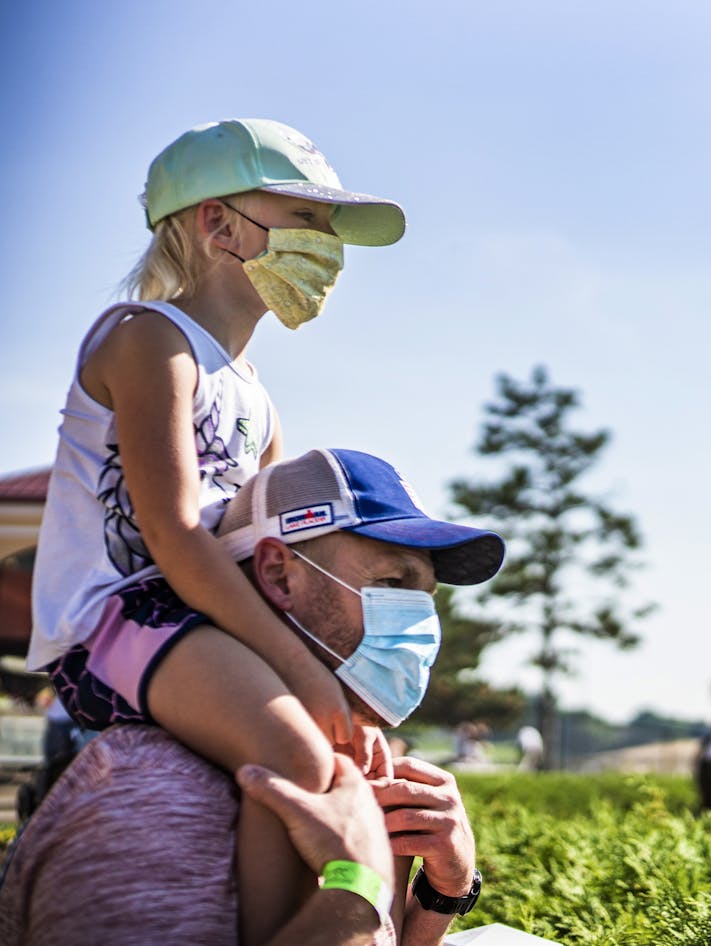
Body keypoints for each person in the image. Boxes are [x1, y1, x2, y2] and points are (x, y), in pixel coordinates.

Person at [25, 118, 406, 944]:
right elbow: (173, 536)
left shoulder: (260, 398)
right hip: (114, 620)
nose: (326, 243)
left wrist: (345, 690)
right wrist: (303, 673)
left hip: (192, 619)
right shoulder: (145, 338)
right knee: (294, 758)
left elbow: (251, 550)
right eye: (305, 218)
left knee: (327, 750)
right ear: (218, 224)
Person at [0, 448, 503, 944]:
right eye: (392, 581)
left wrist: (443, 894)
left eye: (424, 595)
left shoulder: (350, 778)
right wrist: (360, 883)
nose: (419, 622)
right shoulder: (150, 803)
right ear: (278, 574)